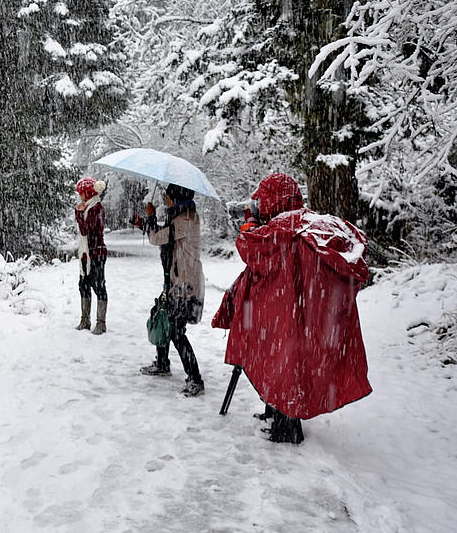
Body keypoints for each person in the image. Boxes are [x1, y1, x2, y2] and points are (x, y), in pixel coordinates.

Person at [212, 173, 372, 444]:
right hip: (305, 308)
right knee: (288, 364)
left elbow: (250, 247)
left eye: (262, 200)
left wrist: (249, 225)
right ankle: (276, 413)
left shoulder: (283, 226)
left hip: (283, 307)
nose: (259, 206)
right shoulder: (309, 222)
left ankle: (287, 428)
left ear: (275, 199)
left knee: (280, 363)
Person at [132, 183, 206, 397]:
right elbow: (161, 236)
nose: (165, 198)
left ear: (176, 198)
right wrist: (144, 223)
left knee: (176, 331)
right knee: (162, 316)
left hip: (185, 285)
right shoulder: (180, 216)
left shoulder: (186, 220)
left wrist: (151, 217)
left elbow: (158, 238)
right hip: (176, 280)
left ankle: (195, 379)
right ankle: (162, 363)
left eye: (167, 195)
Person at [74, 177, 108, 335]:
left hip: (96, 253)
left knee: (99, 286)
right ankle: (85, 319)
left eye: (82, 193)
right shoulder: (88, 206)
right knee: (84, 285)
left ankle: (101, 323)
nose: (80, 196)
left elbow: (87, 230)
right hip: (86, 254)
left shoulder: (96, 208)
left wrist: (79, 214)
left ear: (87, 193)